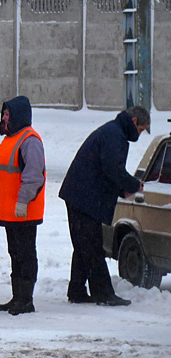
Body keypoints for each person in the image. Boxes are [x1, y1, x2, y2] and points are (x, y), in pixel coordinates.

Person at [58, 105, 150, 306]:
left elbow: (104, 170)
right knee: (91, 246)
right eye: (141, 130)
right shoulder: (114, 135)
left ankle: (77, 291)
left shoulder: (113, 131)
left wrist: (121, 190)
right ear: (133, 122)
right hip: (84, 197)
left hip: (80, 194)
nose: (140, 135)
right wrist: (133, 185)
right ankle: (103, 294)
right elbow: (111, 168)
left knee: (84, 245)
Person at [0, 95, 46, 315]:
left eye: (7, 114)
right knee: (15, 253)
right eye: (3, 114)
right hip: (10, 213)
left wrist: (23, 202)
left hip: (24, 212)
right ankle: (17, 298)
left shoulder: (29, 140)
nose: (4, 118)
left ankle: (26, 300)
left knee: (25, 254)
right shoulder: (11, 139)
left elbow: (33, 176)